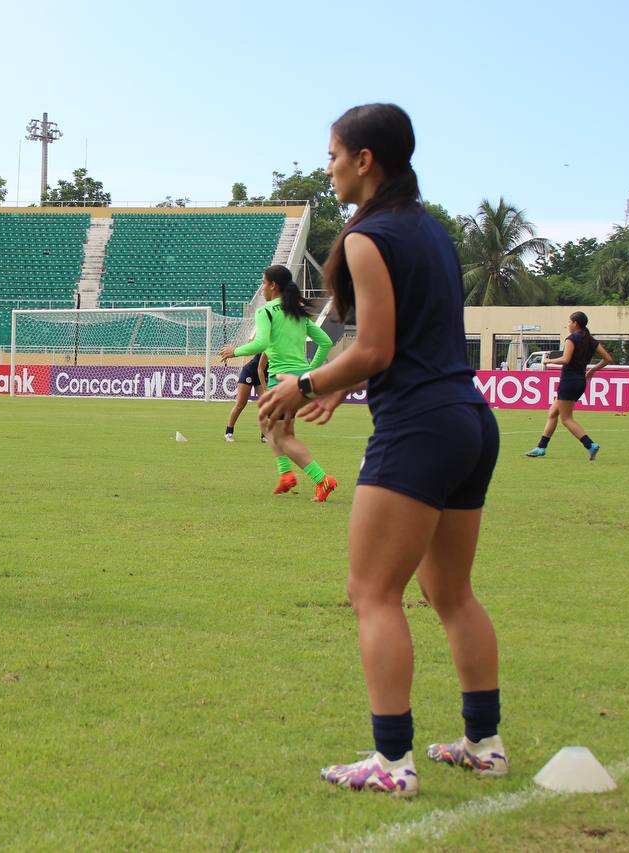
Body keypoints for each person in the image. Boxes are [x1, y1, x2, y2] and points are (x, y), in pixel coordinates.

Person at [259, 104, 505, 797]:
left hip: (418, 427)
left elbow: (376, 347)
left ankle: (392, 762)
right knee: (451, 592)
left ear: (365, 160)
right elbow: (404, 340)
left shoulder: (368, 236)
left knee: (371, 592)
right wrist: (341, 386)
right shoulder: (430, 231)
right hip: (468, 419)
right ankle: (484, 744)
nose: (328, 168)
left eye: (333, 155)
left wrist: (305, 383)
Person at [220, 266, 335, 500]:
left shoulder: (266, 311)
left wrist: (235, 351)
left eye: (264, 282)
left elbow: (261, 343)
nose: (262, 287)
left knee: (278, 433)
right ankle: (285, 475)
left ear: (273, 285)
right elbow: (325, 342)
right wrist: (309, 370)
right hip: (300, 381)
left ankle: (322, 479)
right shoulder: (297, 312)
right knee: (275, 426)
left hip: (282, 381)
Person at [525, 311, 612, 460]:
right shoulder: (590, 340)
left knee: (567, 419)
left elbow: (566, 359)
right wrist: (592, 370)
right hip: (580, 381)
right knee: (553, 413)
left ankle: (590, 445)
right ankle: (541, 447)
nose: (568, 325)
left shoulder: (571, 339)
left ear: (575, 323)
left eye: (569, 322)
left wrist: (548, 361)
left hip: (569, 381)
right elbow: (608, 359)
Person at [224, 352, 268, 443]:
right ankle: (228, 432)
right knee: (241, 404)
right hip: (250, 372)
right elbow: (260, 368)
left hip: (262, 375)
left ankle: (264, 436)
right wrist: (265, 388)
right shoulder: (268, 348)